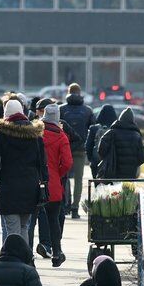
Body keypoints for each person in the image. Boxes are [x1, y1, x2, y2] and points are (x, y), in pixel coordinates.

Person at [0, 100, 47, 242]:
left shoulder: (1, 133)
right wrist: (43, 181)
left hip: (9, 185)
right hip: (30, 186)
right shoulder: (35, 134)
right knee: (24, 227)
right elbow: (42, 162)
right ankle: (24, 259)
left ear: (6, 114)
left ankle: (12, 259)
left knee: (12, 228)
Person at [38, 103, 72, 267]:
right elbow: (67, 162)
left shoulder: (35, 133)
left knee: (30, 221)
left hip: (34, 180)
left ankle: (28, 256)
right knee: (53, 220)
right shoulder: (62, 136)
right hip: (53, 183)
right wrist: (57, 173)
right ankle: (57, 253)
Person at [59, 84, 95, 219]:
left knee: (64, 176)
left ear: (68, 92)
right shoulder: (87, 110)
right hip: (80, 148)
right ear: (80, 93)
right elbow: (92, 129)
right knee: (79, 179)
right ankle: (75, 208)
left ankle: (65, 204)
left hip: (65, 147)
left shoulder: (61, 109)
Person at [97, 108, 144, 180]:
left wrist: (107, 159)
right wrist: (133, 165)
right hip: (130, 173)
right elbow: (142, 158)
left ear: (120, 118)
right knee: (127, 191)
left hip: (112, 171)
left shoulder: (111, 133)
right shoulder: (137, 135)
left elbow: (101, 149)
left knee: (112, 191)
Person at [85, 105, 117, 178]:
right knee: (111, 187)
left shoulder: (94, 128)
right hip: (112, 163)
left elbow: (88, 145)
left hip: (96, 161)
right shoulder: (116, 129)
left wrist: (91, 159)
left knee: (97, 185)